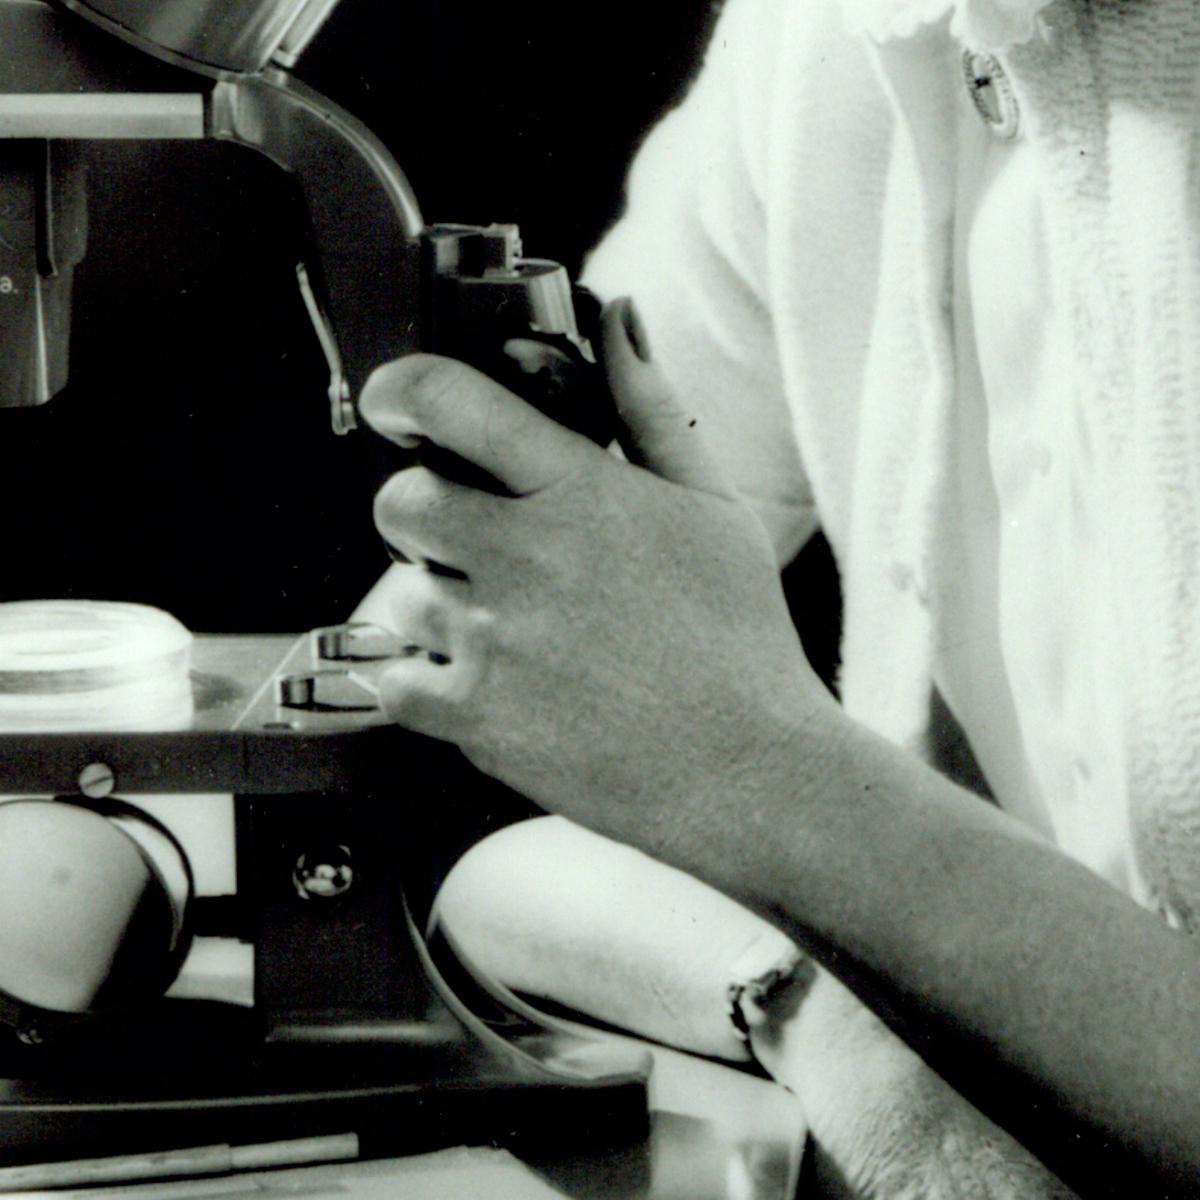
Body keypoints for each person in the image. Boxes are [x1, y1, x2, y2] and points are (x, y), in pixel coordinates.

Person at [352, 0, 1200, 1193]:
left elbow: (678, 744)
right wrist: (843, 1019)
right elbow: (522, 689)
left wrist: (758, 776)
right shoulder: (827, 36)